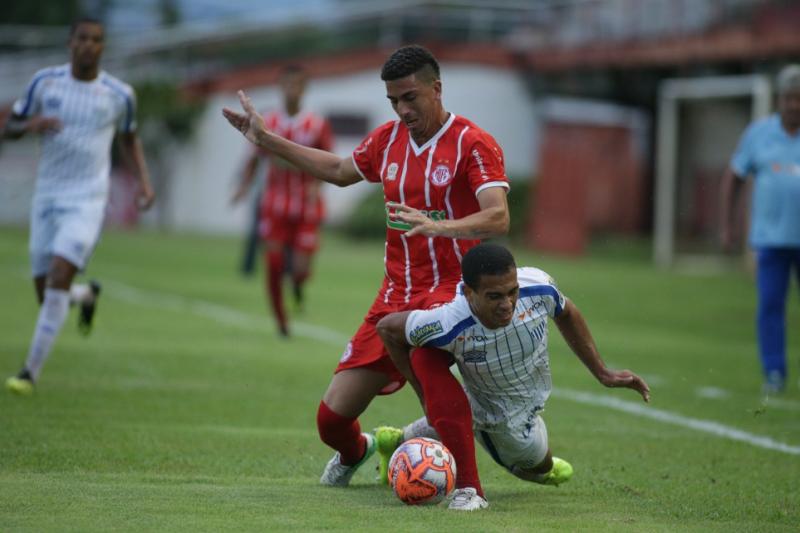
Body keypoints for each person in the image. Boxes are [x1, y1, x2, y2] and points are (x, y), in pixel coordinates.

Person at [223, 45, 510, 507]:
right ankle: (362, 451)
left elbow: (498, 217)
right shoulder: (388, 140)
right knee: (330, 421)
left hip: (451, 293)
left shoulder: (472, 143)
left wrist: (441, 225)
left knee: (426, 364)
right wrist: (267, 139)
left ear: (436, 89)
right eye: (393, 100)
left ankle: (470, 491)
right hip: (393, 296)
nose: (402, 109)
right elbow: (338, 170)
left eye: (410, 98)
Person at [375, 243, 651, 510]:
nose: (507, 304)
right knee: (426, 356)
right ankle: (469, 490)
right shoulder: (449, 321)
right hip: (497, 415)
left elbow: (567, 312)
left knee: (537, 465)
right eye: (494, 296)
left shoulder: (538, 287)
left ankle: (400, 441)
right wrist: (422, 392)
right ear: (470, 292)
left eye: (512, 292)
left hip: (527, 404)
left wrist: (602, 372)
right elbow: (387, 328)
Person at [4, 18, 155, 395]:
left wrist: (144, 182)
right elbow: (8, 127)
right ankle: (84, 295)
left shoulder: (119, 94)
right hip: (47, 197)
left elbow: (129, 138)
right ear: (70, 43)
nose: (89, 45)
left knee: (58, 275)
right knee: (47, 292)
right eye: (82, 39)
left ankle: (29, 372)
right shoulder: (45, 82)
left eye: (97, 40)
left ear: (103, 48)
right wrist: (30, 125)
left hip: (87, 200)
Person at [231, 65, 334, 336]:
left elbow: (331, 161)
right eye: (287, 85)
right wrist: (243, 187)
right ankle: (281, 322)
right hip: (275, 205)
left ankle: (298, 286)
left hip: (306, 208)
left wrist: (319, 186)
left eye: (297, 85)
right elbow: (254, 157)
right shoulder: (268, 122)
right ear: (280, 88)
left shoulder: (317, 124)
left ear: (304, 89)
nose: (292, 90)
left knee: (300, 270)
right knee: (274, 265)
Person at [720, 64, 800, 395]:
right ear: (780, 99)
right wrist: (728, 225)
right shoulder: (759, 134)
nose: (795, 105)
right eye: (790, 98)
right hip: (770, 239)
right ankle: (774, 372)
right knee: (770, 306)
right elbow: (734, 177)